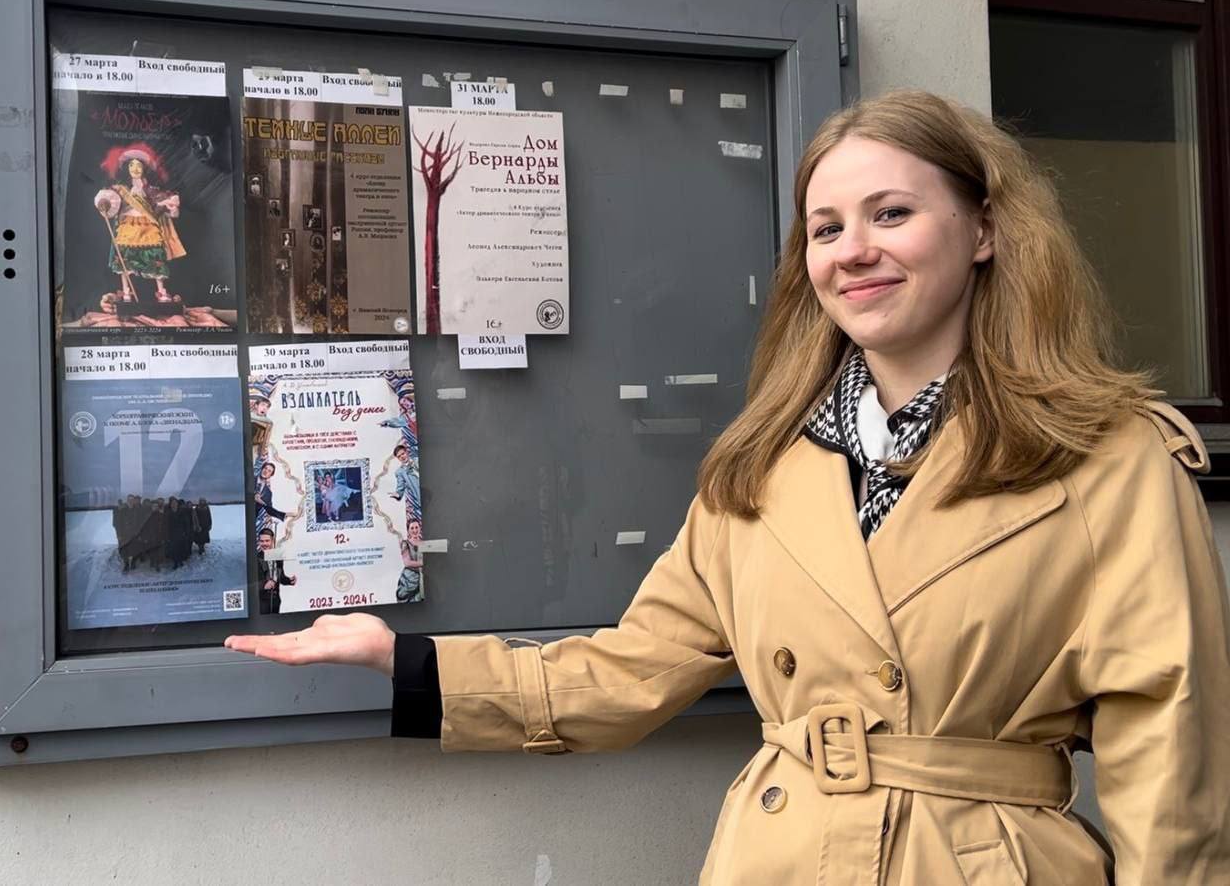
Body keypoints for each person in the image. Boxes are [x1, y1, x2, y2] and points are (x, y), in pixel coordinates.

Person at [226, 90, 1230, 884]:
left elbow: (1171, 753)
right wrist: (405, 662)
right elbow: (630, 670)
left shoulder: (1104, 457)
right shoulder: (761, 463)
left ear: (983, 231)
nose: (854, 251)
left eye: (891, 213)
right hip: (782, 857)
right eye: (825, 228)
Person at [94, 142, 184, 304]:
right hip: (127, 226)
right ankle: (126, 292)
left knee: (155, 257)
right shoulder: (120, 189)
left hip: (148, 226)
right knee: (125, 258)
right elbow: (109, 200)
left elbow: (161, 205)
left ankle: (162, 292)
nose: (135, 169)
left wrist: (170, 204)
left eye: (139, 165)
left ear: (144, 169)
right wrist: (104, 203)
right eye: (132, 165)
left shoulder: (152, 189)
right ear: (126, 168)